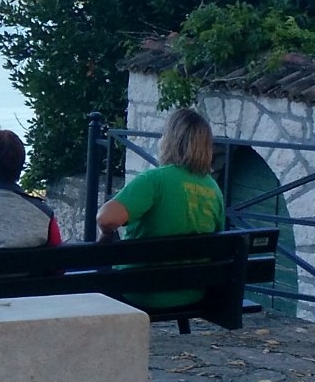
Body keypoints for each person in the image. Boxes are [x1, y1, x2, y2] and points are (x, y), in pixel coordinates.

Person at [95, 107, 226, 309]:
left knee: (99, 271)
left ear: (170, 140)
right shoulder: (213, 189)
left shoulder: (155, 180)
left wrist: (106, 234)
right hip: (192, 292)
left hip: (141, 292)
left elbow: (106, 218)